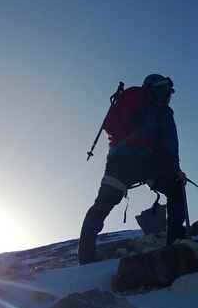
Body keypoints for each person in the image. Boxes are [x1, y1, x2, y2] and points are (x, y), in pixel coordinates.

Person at [78, 74, 188, 265]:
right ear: (161, 91)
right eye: (168, 92)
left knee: (102, 205)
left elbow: (110, 127)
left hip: (118, 161)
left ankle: (86, 256)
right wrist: (175, 169)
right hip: (148, 163)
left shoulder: (128, 99)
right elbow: (170, 144)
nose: (169, 96)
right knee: (175, 190)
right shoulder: (162, 111)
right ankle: (176, 242)